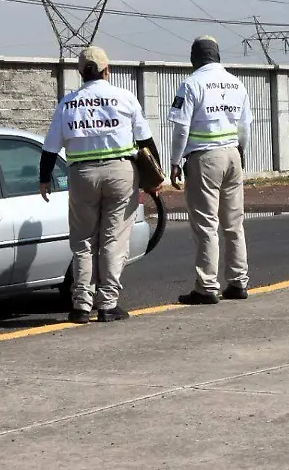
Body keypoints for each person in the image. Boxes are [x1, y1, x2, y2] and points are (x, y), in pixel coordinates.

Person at [39, 46, 162, 324]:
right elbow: (145, 142)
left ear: (81, 73)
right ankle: (108, 304)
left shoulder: (68, 103)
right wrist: (156, 178)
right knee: (113, 239)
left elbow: (49, 148)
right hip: (120, 172)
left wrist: (44, 178)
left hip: (82, 174)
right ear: (108, 70)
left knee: (83, 241)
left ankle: (81, 305)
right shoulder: (124, 97)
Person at [168, 35, 253, 305]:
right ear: (217, 55)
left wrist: (174, 161)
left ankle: (207, 286)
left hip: (204, 158)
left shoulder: (191, 84)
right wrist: (240, 152)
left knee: (206, 225)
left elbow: (181, 127)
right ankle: (238, 282)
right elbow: (245, 127)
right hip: (232, 155)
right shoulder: (236, 83)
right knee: (233, 224)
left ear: (194, 57)